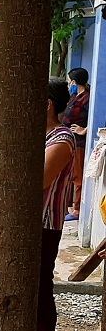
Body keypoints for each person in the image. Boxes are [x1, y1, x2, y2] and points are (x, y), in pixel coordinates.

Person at [36, 79, 77, 331]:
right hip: (31, 223)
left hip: (45, 223)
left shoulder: (61, 140)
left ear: (47, 105)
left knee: (40, 286)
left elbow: (39, 181)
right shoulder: (46, 135)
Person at [61, 67, 90, 220]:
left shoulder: (87, 98)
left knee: (78, 175)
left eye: (69, 79)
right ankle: (69, 205)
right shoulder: (74, 95)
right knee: (69, 174)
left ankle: (77, 209)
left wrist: (84, 130)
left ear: (74, 80)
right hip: (70, 139)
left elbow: (92, 118)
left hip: (79, 141)